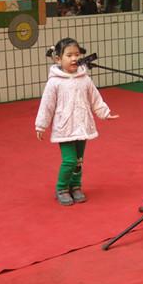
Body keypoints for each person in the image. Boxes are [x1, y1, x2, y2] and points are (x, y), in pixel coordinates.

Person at [35, 38, 119, 206]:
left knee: (79, 161)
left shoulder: (84, 79)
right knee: (69, 160)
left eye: (77, 54)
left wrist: (104, 113)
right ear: (58, 59)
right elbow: (47, 105)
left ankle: (75, 186)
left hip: (82, 125)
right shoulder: (54, 82)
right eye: (69, 55)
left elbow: (95, 98)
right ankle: (61, 188)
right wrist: (41, 125)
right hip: (65, 127)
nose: (74, 58)